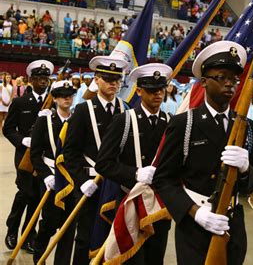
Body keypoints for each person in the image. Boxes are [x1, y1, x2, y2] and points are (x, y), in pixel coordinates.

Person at [153, 41, 253, 265]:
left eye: (234, 79)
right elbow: (163, 179)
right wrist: (195, 212)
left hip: (232, 223)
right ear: (204, 82)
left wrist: (246, 168)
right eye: (221, 77)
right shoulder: (184, 123)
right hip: (195, 226)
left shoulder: (245, 126)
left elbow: (250, 184)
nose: (229, 84)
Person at [96, 63, 173, 264]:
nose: (158, 94)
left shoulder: (170, 122)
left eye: (161, 89)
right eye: (151, 90)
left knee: (155, 258)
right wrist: (135, 174)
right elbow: (103, 163)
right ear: (138, 91)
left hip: (159, 205)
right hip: (130, 201)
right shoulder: (124, 121)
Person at [62, 55, 128, 264]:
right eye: (108, 79)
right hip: (91, 184)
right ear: (97, 80)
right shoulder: (83, 110)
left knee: (113, 237)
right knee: (85, 237)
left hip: (117, 183)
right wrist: (82, 182)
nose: (113, 84)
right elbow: (70, 152)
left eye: (117, 80)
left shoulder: (125, 109)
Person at [3, 60, 54, 253]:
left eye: (46, 78)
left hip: (43, 158)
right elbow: (8, 129)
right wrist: (22, 141)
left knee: (37, 199)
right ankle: (12, 228)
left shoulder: (53, 102)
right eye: (39, 78)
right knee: (25, 193)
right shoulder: (20, 102)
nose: (43, 81)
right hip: (24, 155)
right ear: (30, 79)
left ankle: (28, 236)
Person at [30, 80, 76, 264]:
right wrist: (46, 175)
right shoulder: (45, 120)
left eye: (70, 95)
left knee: (68, 227)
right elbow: (35, 154)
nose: (67, 98)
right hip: (50, 177)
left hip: (72, 179)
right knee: (49, 222)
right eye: (62, 96)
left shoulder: (77, 120)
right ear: (55, 99)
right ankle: (38, 258)